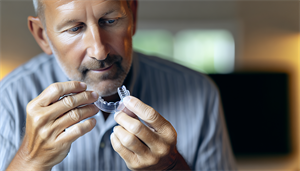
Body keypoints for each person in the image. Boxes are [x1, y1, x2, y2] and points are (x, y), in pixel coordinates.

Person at [0, 0, 237, 170]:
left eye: (110, 20)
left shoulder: (200, 93)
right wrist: (30, 161)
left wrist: (171, 166)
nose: (99, 50)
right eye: (75, 28)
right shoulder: (9, 98)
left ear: (132, 14)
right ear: (42, 35)